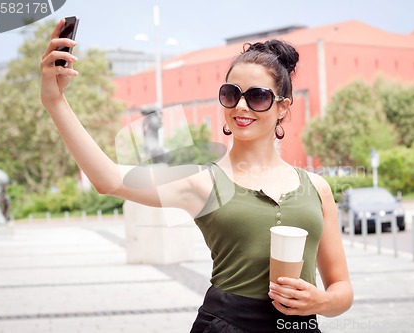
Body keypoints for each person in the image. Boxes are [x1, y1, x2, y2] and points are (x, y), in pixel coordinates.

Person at [40, 18, 353, 333]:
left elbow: (341, 288)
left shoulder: (316, 188)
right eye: (231, 94)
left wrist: (319, 302)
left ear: (283, 107)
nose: (241, 106)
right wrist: (55, 101)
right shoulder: (203, 182)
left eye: (257, 97)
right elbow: (108, 179)